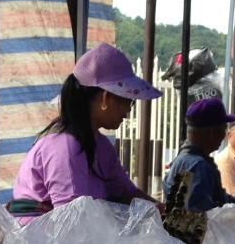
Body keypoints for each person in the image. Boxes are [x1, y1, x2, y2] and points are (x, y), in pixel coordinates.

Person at [9, 43, 163, 224]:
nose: (128, 110)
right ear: (105, 98)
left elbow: (127, 193)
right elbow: (73, 225)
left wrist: (165, 211)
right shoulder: (64, 146)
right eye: (127, 101)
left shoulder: (102, 146)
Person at [162, 98, 235, 212]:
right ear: (213, 132)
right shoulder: (198, 166)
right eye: (224, 129)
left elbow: (219, 199)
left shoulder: (182, 159)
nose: (224, 135)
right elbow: (204, 215)